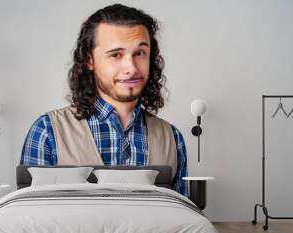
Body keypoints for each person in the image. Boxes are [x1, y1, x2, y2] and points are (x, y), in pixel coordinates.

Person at [20, 4, 188, 196]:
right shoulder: (47, 132)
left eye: (140, 53)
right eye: (116, 55)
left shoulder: (173, 139)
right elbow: (30, 220)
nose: (131, 68)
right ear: (89, 60)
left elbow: (182, 216)